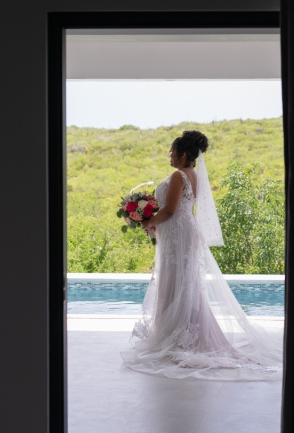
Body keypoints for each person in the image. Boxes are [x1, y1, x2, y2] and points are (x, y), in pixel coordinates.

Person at [120, 130, 283, 380]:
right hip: (182, 232)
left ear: (184, 154)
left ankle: (181, 337)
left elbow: (172, 210)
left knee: (178, 281)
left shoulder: (178, 176)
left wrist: (148, 221)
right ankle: (181, 331)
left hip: (178, 232)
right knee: (183, 283)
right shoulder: (192, 174)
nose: (170, 155)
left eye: (173, 151)